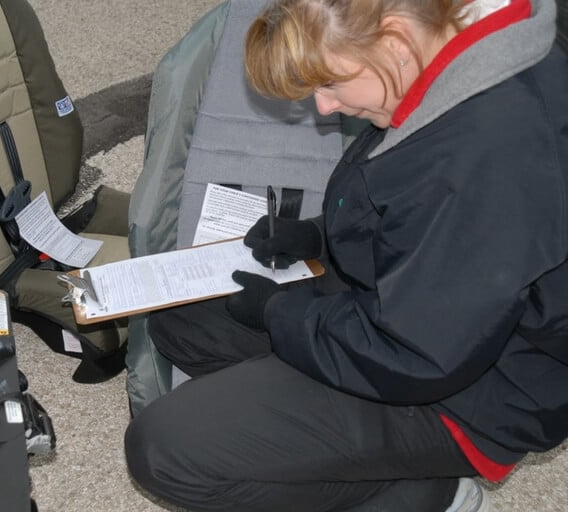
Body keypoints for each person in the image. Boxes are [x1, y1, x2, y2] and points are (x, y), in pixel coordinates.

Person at [124, 0, 568, 510]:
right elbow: (415, 219)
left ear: (396, 42)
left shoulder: (484, 153)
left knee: (164, 451)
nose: (323, 107)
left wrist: (282, 313)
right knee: (184, 320)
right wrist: (319, 238)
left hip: (474, 391)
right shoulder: (449, 62)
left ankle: (430, 494)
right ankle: (314, 426)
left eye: (331, 83)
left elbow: (414, 354)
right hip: (417, 310)